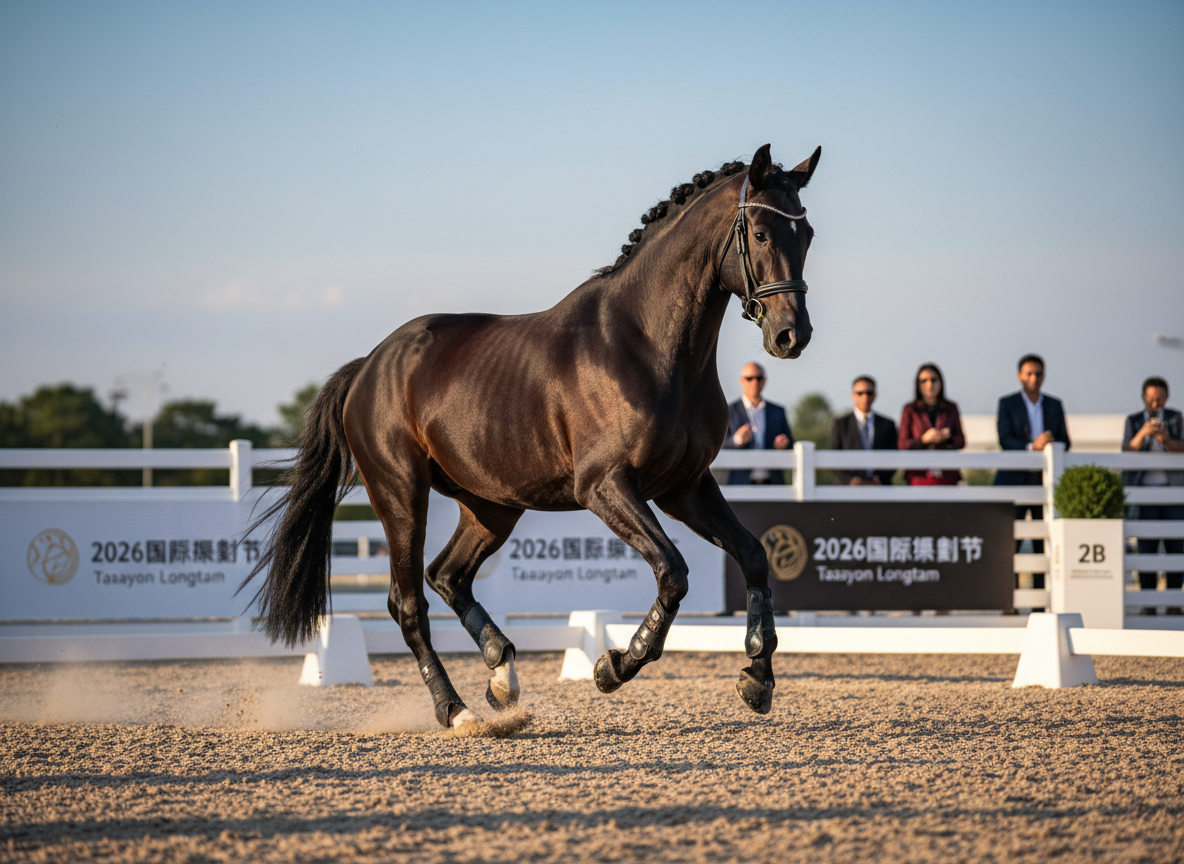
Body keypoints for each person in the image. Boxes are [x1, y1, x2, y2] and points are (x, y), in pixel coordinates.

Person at [1122, 376, 1184, 615]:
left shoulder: (1176, 419)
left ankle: (1173, 602)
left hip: (1173, 492)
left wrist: (1167, 440)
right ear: (1144, 399)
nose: (1155, 403)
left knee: (1176, 548)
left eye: (1159, 399)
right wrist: (1143, 434)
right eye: (1151, 399)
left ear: (1166, 397)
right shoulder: (1134, 420)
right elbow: (1126, 449)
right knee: (1146, 549)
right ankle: (1148, 602)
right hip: (1144, 494)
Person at [723, 361, 793, 485]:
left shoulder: (778, 411)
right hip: (740, 484)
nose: (755, 382)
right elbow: (718, 445)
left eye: (758, 378)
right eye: (749, 378)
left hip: (773, 484)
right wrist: (737, 440)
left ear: (764, 380)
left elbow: (791, 444)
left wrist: (783, 444)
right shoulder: (728, 411)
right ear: (742, 381)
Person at [898, 363, 965, 485]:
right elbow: (902, 444)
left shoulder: (951, 408)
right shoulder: (910, 409)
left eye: (934, 380)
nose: (929, 385)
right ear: (918, 385)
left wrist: (947, 439)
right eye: (924, 381)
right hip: (919, 476)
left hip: (947, 475)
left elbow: (961, 441)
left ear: (941, 382)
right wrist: (924, 439)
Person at [829, 375, 898, 485]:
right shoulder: (841, 424)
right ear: (853, 395)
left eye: (869, 393)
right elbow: (833, 457)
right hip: (848, 491)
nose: (865, 397)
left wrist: (880, 479)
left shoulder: (887, 425)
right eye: (860, 393)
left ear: (875, 395)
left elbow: (894, 456)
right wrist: (850, 480)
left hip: (880, 489)